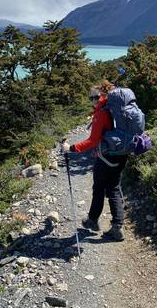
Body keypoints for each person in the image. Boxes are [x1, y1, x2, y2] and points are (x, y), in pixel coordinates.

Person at [62, 81, 128, 241]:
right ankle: (117, 227)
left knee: (99, 188)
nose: (93, 100)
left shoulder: (102, 113)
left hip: (106, 157)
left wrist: (70, 148)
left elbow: (92, 141)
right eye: (91, 98)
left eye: (96, 97)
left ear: (104, 95)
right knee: (113, 188)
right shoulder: (117, 108)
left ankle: (92, 221)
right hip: (122, 153)